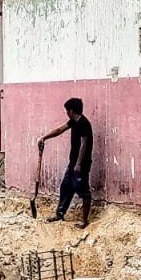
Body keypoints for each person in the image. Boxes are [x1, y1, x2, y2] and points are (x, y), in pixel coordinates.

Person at [38, 97, 93, 226]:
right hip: (73, 163)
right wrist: (44, 138)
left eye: (67, 111)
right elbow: (59, 130)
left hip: (81, 164)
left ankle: (84, 221)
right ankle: (59, 215)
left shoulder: (84, 124)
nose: (66, 113)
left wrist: (79, 164)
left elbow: (84, 145)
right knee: (66, 187)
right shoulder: (74, 122)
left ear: (71, 111)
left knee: (83, 191)